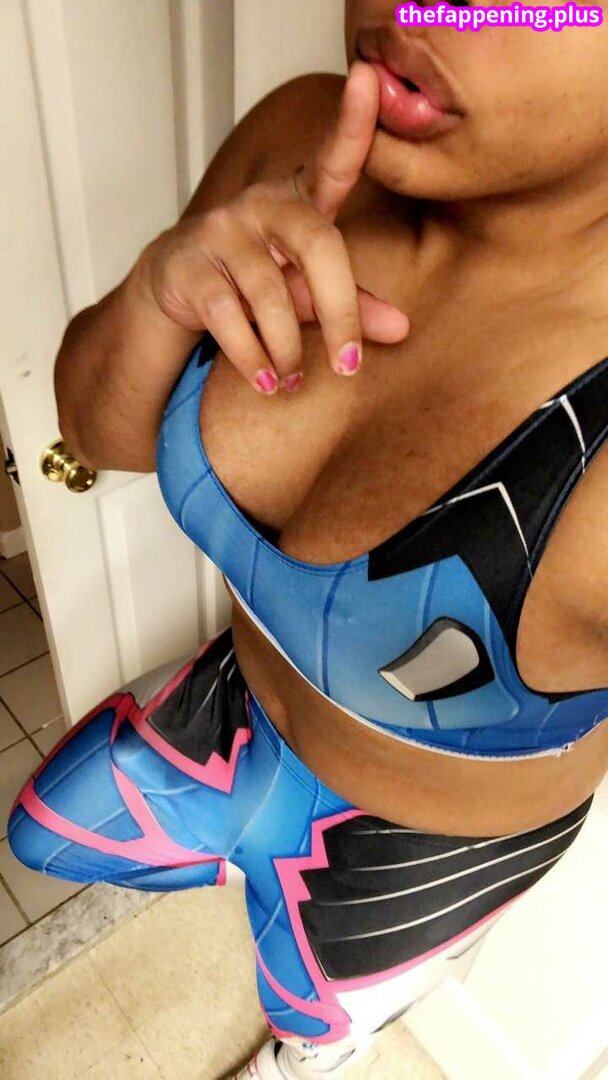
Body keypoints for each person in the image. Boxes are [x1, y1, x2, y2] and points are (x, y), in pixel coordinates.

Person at [8, 3, 608, 1077]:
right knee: (36, 835)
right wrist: (158, 291)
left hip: (418, 855)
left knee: (315, 1025)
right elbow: (93, 435)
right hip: (237, 709)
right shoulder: (301, 134)